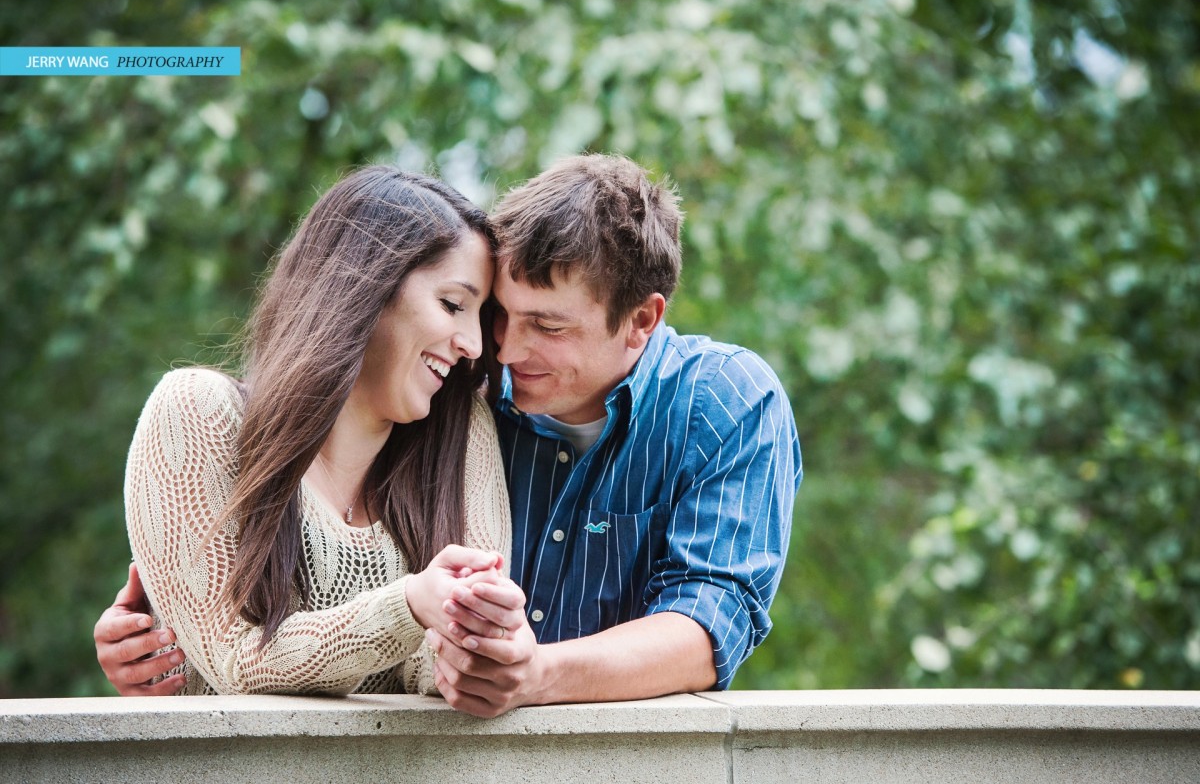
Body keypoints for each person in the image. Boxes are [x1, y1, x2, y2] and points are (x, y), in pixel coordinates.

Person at [97, 154, 803, 715]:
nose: (493, 347)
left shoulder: (721, 404)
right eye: (495, 312)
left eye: (547, 326)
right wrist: (174, 630)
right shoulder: (462, 398)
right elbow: (258, 627)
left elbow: (711, 620)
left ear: (642, 322)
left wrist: (523, 670)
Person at [108, 165, 520, 695]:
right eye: (452, 304)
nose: (473, 344)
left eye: (479, 316)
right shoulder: (197, 415)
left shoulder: (463, 434)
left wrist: (478, 650)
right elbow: (233, 659)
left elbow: (442, 671)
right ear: (365, 286)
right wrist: (411, 607)